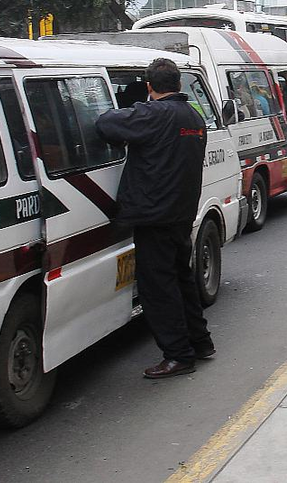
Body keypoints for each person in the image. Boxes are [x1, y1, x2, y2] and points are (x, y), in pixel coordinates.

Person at [96, 58, 213, 379]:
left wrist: (128, 107)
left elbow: (105, 124)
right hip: (181, 212)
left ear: (150, 87)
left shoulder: (152, 114)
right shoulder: (194, 117)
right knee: (182, 279)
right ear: (178, 84)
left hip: (154, 215)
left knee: (158, 288)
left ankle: (178, 356)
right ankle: (201, 342)